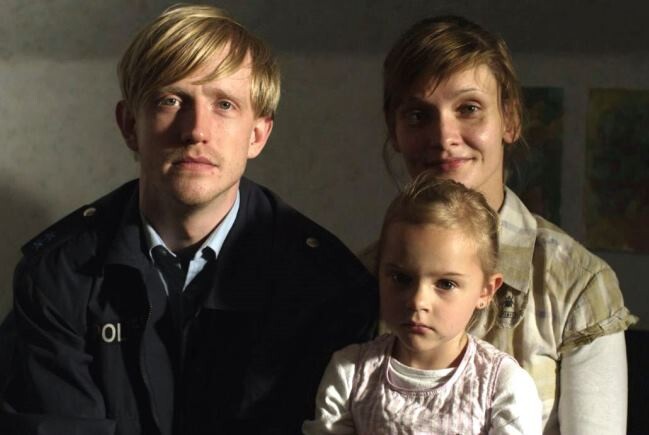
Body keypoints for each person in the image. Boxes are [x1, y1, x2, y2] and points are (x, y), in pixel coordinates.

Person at [0, 5, 377, 435]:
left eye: (224, 104)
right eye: (171, 100)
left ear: (257, 135)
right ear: (130, 125)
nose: (196, 130)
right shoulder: (58, 274)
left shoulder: (326, 284)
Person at [360, 15, 638, 434]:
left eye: (469, 109)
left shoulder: (576, 285)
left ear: (510, 119)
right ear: (394, 130)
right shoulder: (360, 278)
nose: (444, 136)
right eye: (418, 115)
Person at [304, 175, 542, 434]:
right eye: (401, 278)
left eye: (446, 284)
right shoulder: (350, 372)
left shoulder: (502, 386)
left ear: (486, 291)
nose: (417, 301)